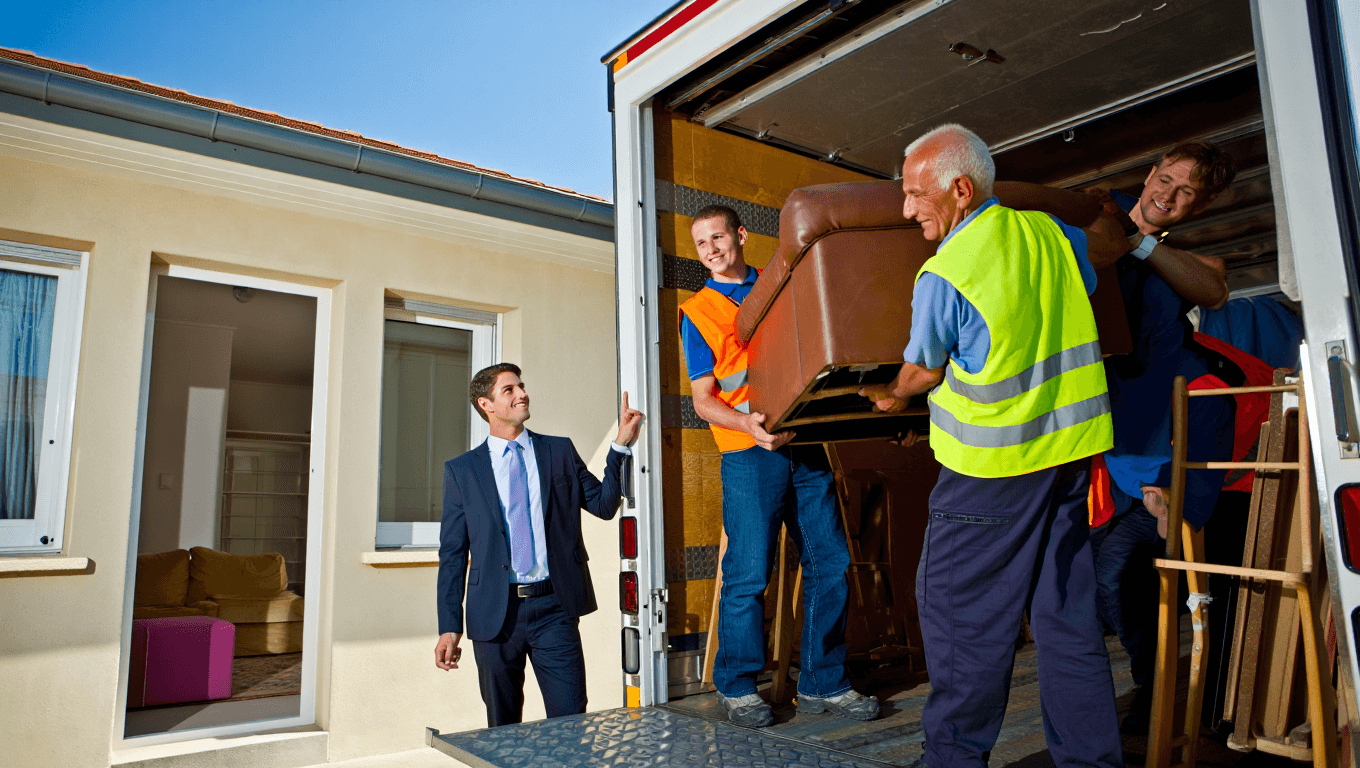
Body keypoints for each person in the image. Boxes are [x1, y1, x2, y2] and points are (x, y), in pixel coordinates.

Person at [860, 123, 1124, 768]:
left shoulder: (946, 273)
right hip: (1066, 462)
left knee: (961, 625)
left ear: (959, 187)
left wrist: (892, 395)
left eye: (916, 195)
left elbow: (922, 372)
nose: (906, 209)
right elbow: (1095, 264)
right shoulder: (1050, 234)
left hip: (992, 472)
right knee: (1067, 625)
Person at [679, 203, 878, 727]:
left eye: (718, 238)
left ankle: (823, 683)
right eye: (701, 244)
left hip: (806, 441)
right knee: (747, 573)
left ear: (741, 235)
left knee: (831, 561)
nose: (711, 250)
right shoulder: (698, 312)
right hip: (749, 453)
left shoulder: (781, 284)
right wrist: (749, 426)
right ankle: (739, 686)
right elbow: (704, 399)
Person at [1083, 141, 1243, 733]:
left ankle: (1165, 697)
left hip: (1162, 443)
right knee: (1104, 583)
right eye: (1165, 180)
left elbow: (1216, 289)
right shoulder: (1096, 217)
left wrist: (1140, 245)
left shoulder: (1175, 259)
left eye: (1185, 195)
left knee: (1128, 572)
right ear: (1149, 173)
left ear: (1196, 208)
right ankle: (1152, 685)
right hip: (1103, 443)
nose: (1167, 197)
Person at [433, 363, 643, 727]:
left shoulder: (558, 452)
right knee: (503, 725)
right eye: (509, 390)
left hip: (555, 609)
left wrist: (620, 445)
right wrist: (449, 625)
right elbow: (452, 554)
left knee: (569, 720)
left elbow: (604, 505)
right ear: (487, 404)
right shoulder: (463, 471)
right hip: (495, 617)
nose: (522, 394)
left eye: (522, 386)